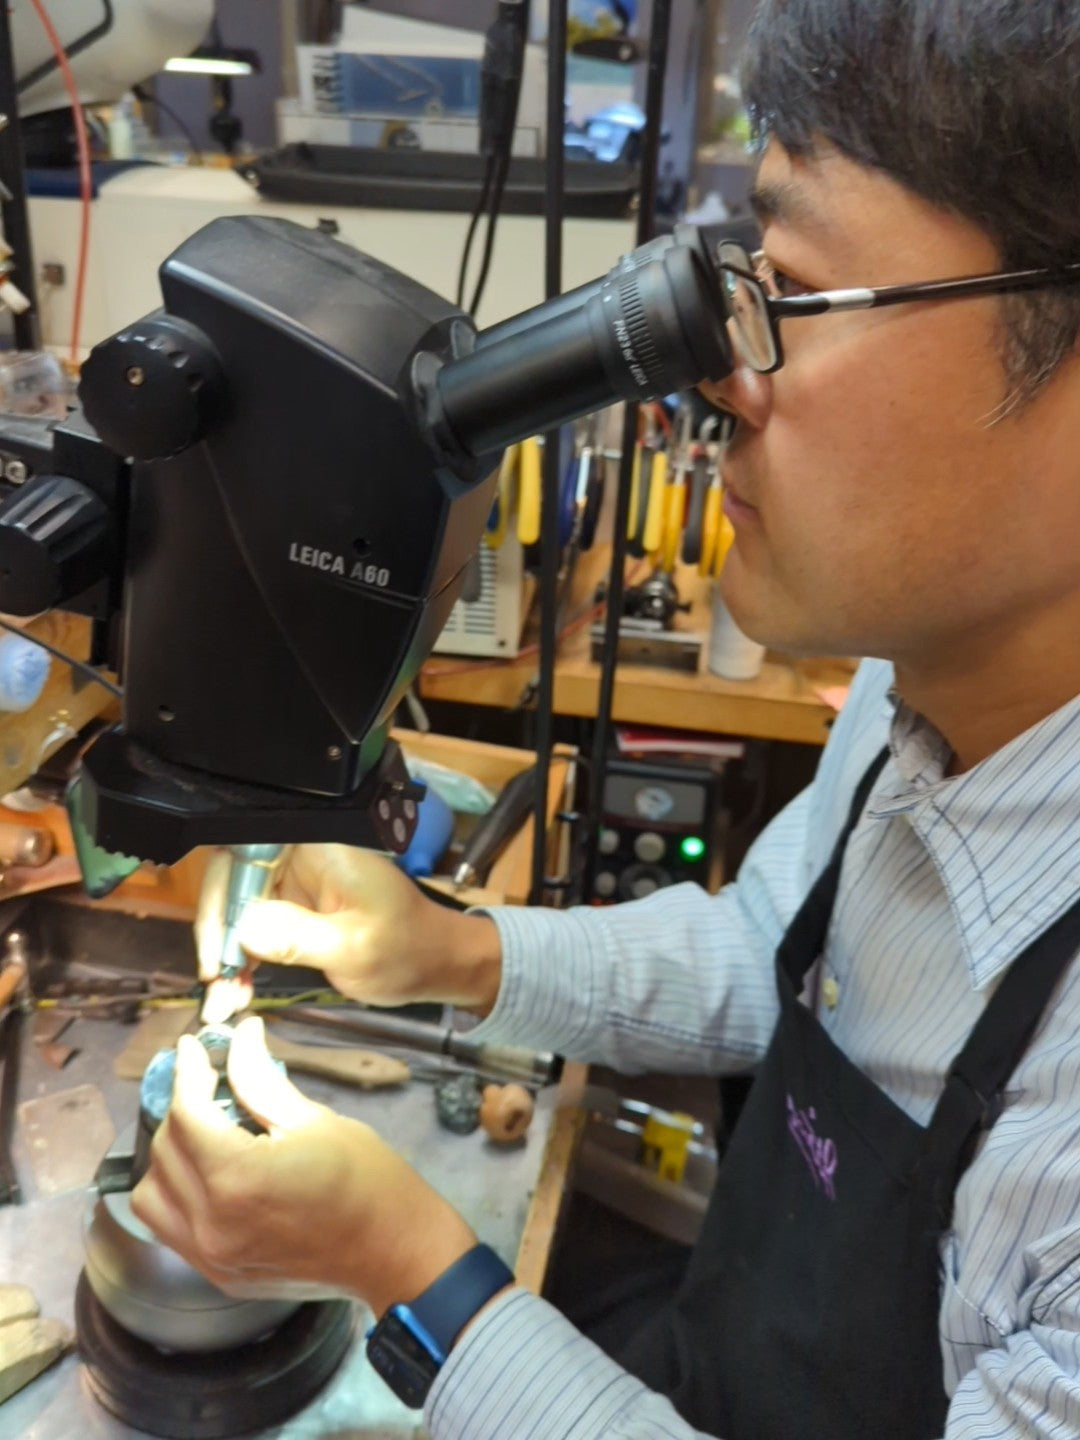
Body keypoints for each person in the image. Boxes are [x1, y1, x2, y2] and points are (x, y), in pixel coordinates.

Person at [130, 1, 1080, 1435]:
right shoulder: (922, 674)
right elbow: (777, 953)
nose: (711, 380)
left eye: (794, 293)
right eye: (732, 281)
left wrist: (408, 1268)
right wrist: (449, 951)